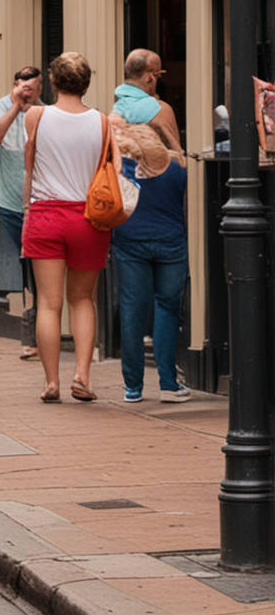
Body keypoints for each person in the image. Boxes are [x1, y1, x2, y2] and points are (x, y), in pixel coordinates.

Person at [22, 53, 112, 403]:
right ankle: (83, 377)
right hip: (88, 218)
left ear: (54, 82)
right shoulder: (102, 122)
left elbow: (29, 166)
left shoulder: (36, 116)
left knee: (48, 303)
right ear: (86, 82)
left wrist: (27, 207)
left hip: (45, 214)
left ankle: (51, 382)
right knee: (82, 299)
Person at [110, 123, 191, 404]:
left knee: (133, 311)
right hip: (171, 243)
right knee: (167, 309)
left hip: (130, 243)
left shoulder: (122, 170)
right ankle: (169, 384)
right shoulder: (177, 168)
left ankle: (133, 387)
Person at [0, 65, 44, 341]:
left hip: (40, 206)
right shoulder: (0, 108)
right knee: (17, 276)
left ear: (41, 88)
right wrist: (14, 109)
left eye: (34, 86)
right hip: (10, 205)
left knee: (39, 274)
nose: (29, 91)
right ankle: (28, 332)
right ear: (15, 84)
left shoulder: (45, 112)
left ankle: (36, 334)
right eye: (23, 85)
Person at [114, 49, 182, 154]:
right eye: (158, 75)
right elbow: (177, 159)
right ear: (150, 78)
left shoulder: (115, 107)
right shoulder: (161, 110)